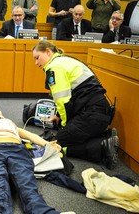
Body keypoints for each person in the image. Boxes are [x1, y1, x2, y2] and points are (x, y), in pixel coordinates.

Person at [0, 108, 75, 214]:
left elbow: (31, 136)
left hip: (16, 149)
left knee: (25, 180)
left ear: (2, 116)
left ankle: (43, 211)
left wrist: (48, 144)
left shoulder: (10, 123)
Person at [32, 40, 119, 170]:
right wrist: (58, 116)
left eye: (37, 58)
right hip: (99, 113)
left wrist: (64, 127)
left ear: (48, 52)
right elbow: (71, 95)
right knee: (69, 135)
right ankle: (104, 135)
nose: (36, 63)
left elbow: (63, 101)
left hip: (92, 115)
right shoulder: (64, 60)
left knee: (57, 143)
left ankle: (101, 146)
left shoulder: (54, 67)